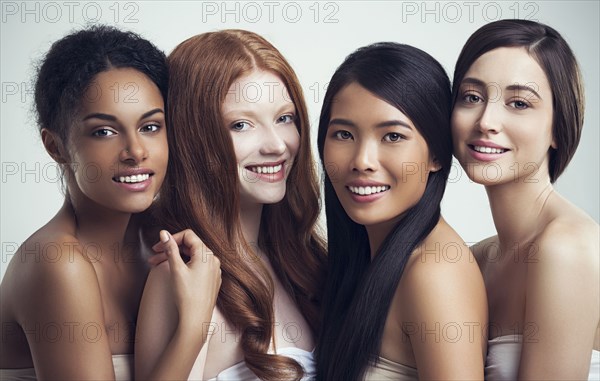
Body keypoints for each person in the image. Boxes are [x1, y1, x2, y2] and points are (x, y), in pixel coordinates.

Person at [135, 29, 326, 381]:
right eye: (241, 124)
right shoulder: (180, 274)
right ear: (193, 139)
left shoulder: (305, 261)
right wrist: (193, 320)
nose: (276, 146)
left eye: (285, 118)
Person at [0, 25, 178, 380]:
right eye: (104, 132)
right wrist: (192, 329)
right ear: (56, 146)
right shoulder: (58, 264)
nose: (136, 152)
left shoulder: (166, 238)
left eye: (150, 126)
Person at [315, 42, 487, 380]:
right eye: (344, 134)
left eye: (392, 136)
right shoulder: (368, 259)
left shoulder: (434, 274)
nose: (362, 161)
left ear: (437, 154)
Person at [451, 19, 599, 380]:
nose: (486, 120)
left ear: (558, 128)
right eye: (472, 97)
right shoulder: (480, 258)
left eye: (519, 103)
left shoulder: (568, 246)